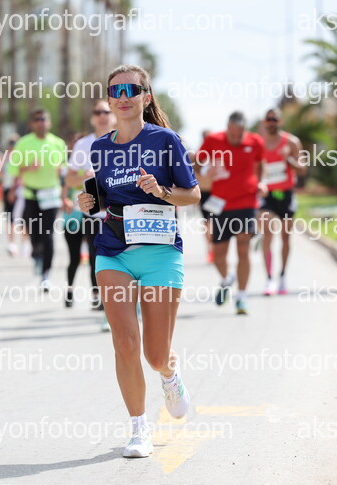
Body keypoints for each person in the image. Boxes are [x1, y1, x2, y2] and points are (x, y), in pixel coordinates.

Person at [79, 64, 200, 458]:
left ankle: (169, 372)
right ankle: (138, 429)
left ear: (146, 97)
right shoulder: (100, 148)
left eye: (131, 89)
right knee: (125, 343)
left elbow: (192, 195)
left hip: (161, 252)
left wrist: (161, 191)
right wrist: (87, 202)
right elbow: (102, 198)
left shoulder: (165, 140)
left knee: (154, 354)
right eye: (116, 91)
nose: (123, 96)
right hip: (113, 250)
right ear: (109, 99)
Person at [197, 112, 267, 315]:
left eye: (240, 135)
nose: (236, 139)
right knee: (219, 254)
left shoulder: (255, 141)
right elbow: (196, 163)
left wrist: (262, 182)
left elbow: (261, 162)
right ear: (227, 127)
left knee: (243, 248)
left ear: (245, 130)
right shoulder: (213, 140)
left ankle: (242, 298)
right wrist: (205, 172)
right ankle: (227, 279)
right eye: (233, 134)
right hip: (221, 204)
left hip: (247, 202)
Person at [63, 101, 116, 310]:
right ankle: (100, 297)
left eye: (106, 112)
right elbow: (69, 179)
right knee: (96, 258)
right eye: (98, 112)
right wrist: (85, 177)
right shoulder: (83, 144)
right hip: (93, 213)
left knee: (121, 257)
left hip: (121, 212)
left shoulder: (125, 139)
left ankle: (120, 299)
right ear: (93, 118)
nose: (102, 116)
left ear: (113, 115)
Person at [8, 108, 67, 291]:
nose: (41, 122)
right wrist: (27, 169)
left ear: (49, 122)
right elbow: (14, 170)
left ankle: (46, 275)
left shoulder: (58, 143)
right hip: (30, 195)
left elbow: (64, 170)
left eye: (44, 119)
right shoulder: (23, 143)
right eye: (37, 119)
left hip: (51, 195)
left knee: (48, 234)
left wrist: (65, 193)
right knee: (34, 233)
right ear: (31, 124)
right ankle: (36, 254)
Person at [259, 108, 305, 295]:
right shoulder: (259, 143)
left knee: (285, 236)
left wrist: (289, 160)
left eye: (275, 119)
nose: (272, 122)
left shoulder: (292, 142)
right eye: (269, 119)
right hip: (267, 195)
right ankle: (269, 279)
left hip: (286, 194)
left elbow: (302, 169)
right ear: (265, 122)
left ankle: (283, 276)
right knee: (268, 231)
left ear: (280, 121)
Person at [193, 130, 214, 263]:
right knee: (207, 222)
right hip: (204, 193)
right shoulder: (198, 156)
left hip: (216, 194)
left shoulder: (217, 155)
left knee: (216, 222)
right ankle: (210, 247)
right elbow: (194, 174)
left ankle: (215, 246)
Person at [0, 134, 20, 256]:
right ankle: (12, 243)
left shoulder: (22, 157)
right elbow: (1, 173)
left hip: (19, 190)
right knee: (10, 217)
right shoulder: (5, 158)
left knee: (23, 218)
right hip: (7, 189)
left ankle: (25, 243)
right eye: (11, 143)